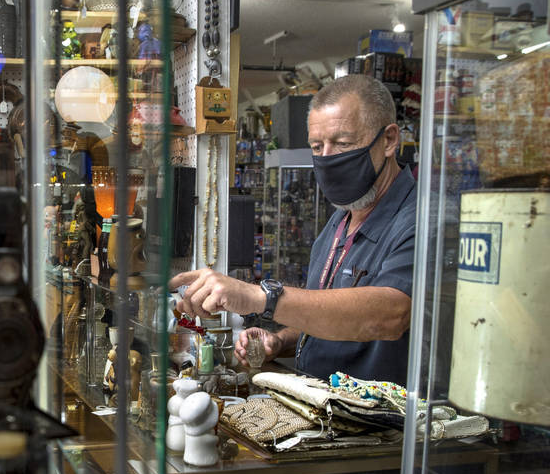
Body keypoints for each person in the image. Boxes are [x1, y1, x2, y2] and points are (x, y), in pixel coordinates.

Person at [170, 74, 416, 385]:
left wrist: (260, 298)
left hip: (382, 426)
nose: (326, 159)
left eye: (342, 143)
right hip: (324, 413)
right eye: (317, 146)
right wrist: (283, 339)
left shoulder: (419, 219)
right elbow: (328, 310)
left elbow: (390, 314)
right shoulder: (341, 218)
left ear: (389, 140)